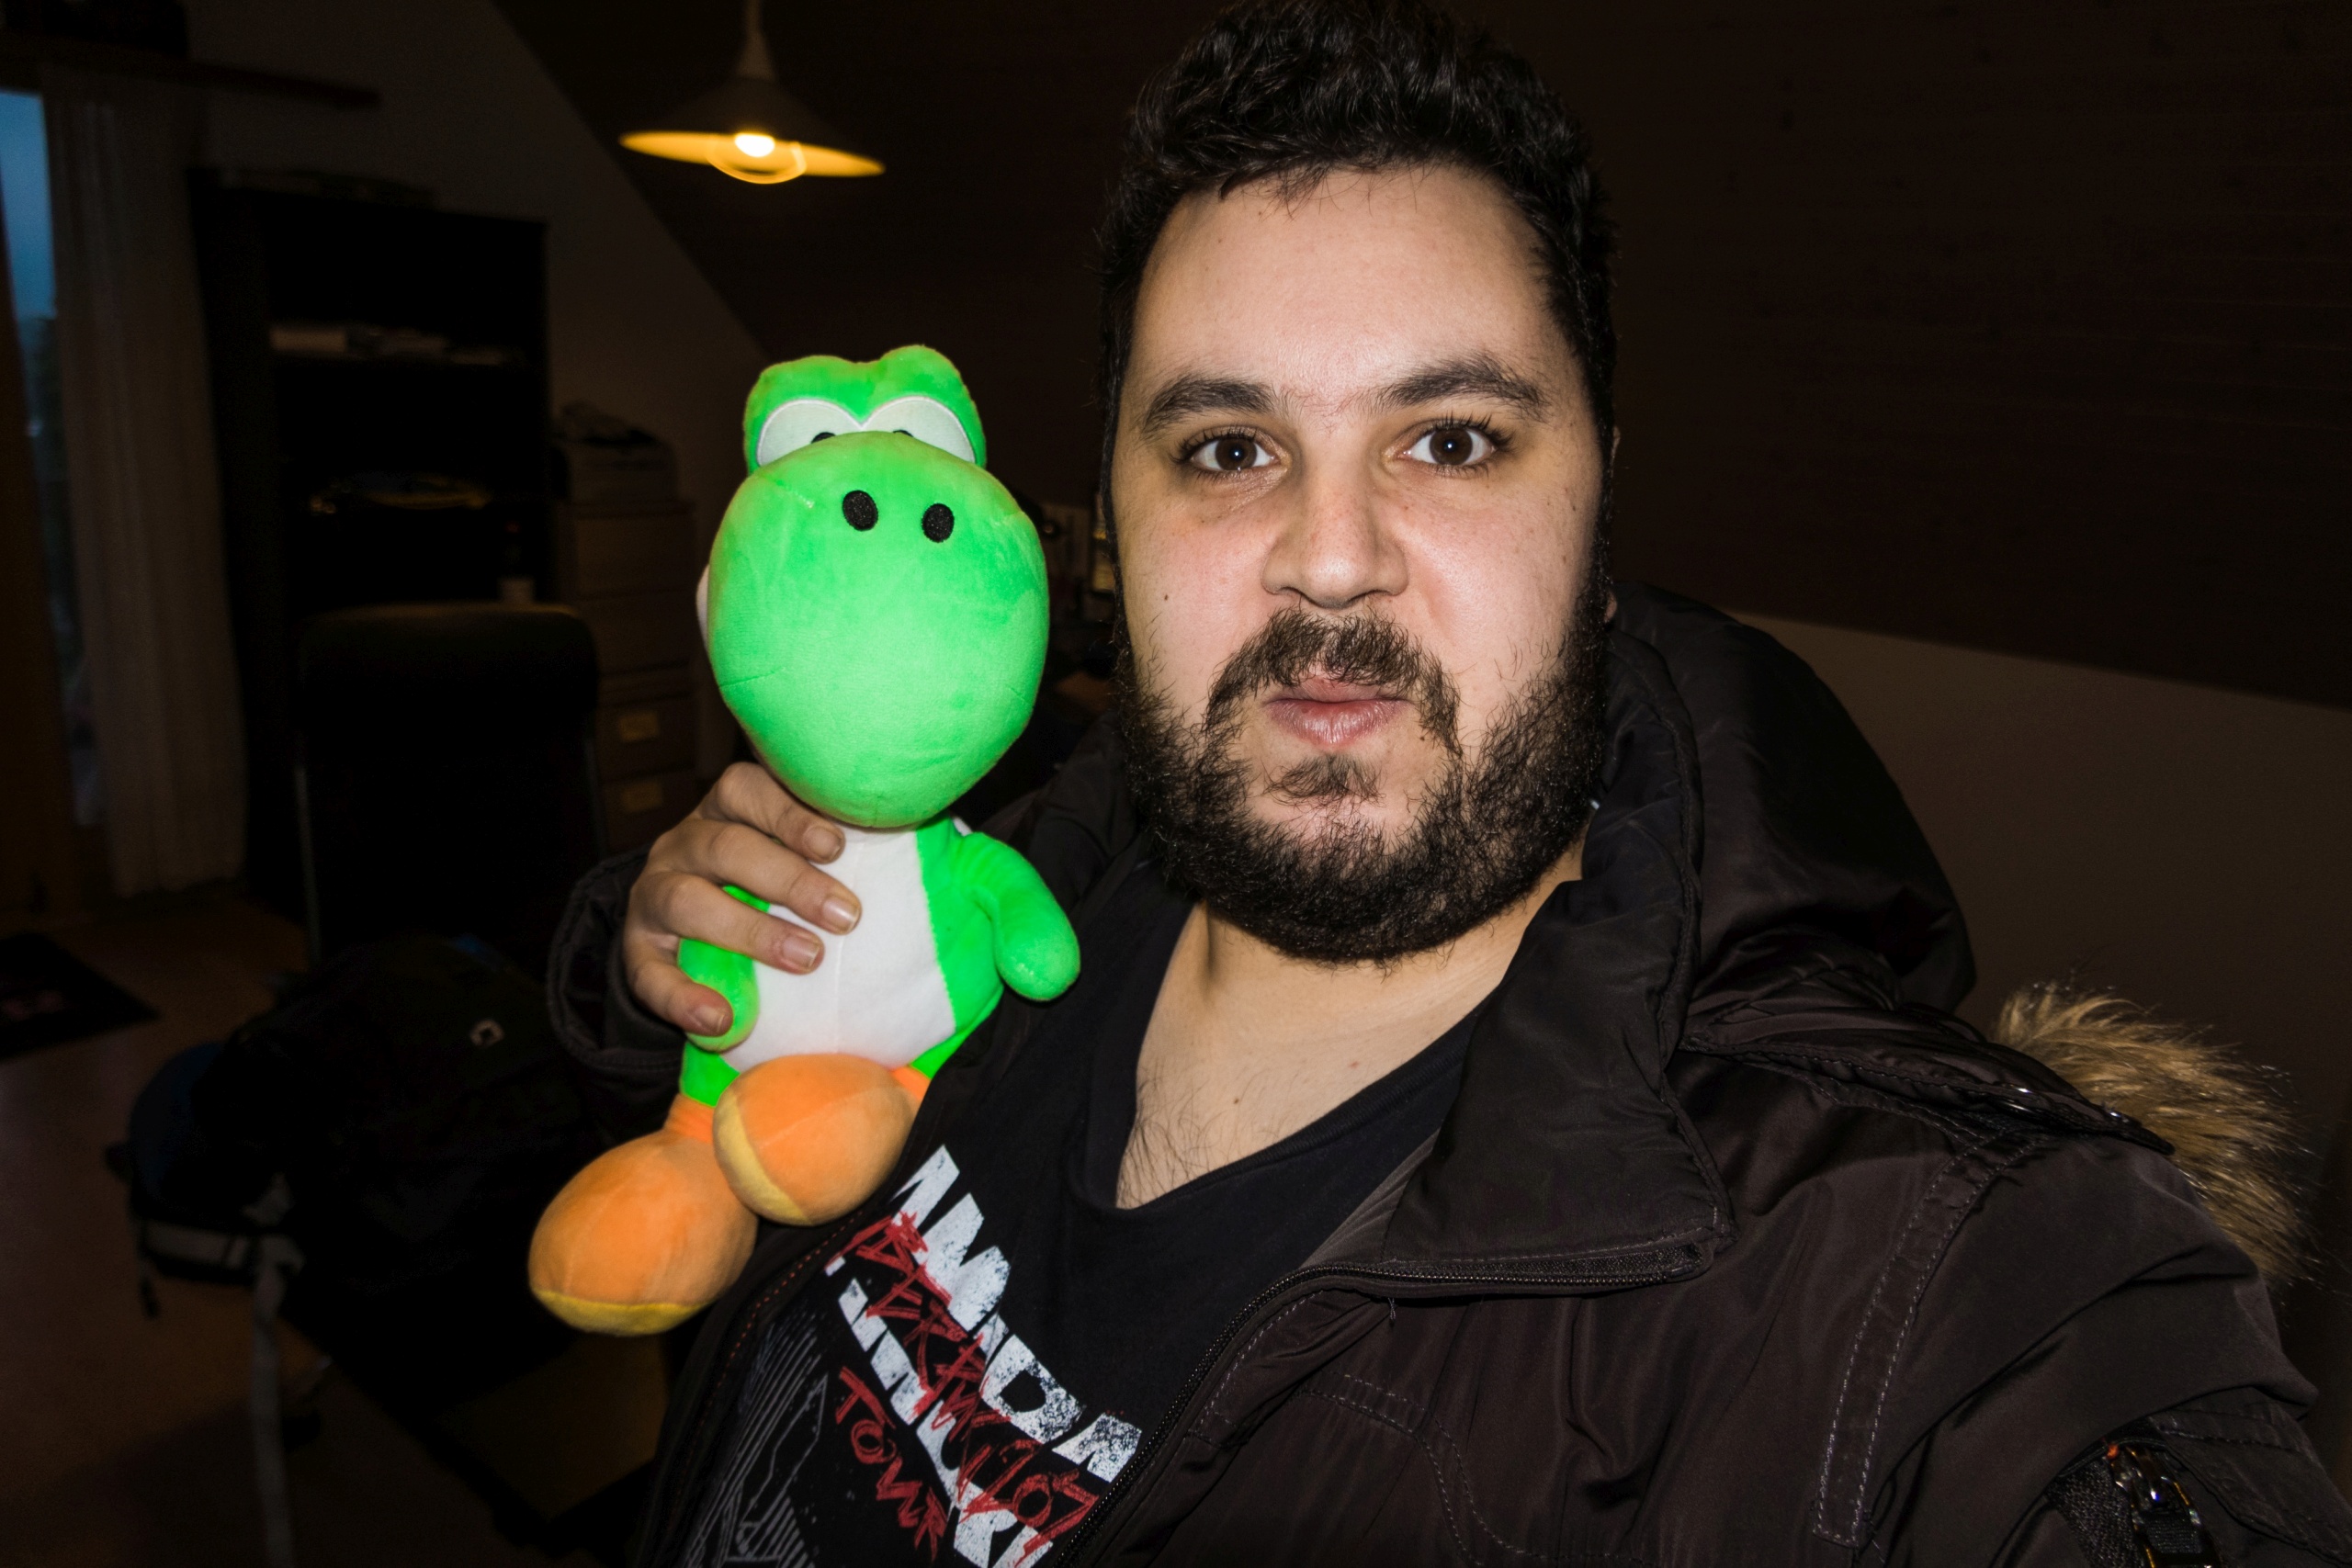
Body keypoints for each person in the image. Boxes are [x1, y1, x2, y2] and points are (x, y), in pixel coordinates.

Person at [548, 3, 2352, 1562]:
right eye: (1228, 447)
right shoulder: (1032, 861)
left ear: (1600, 511)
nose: (1328, 561)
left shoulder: (1900, 1284)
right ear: (1105, 521)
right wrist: (666, 961)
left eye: (1452, 438)